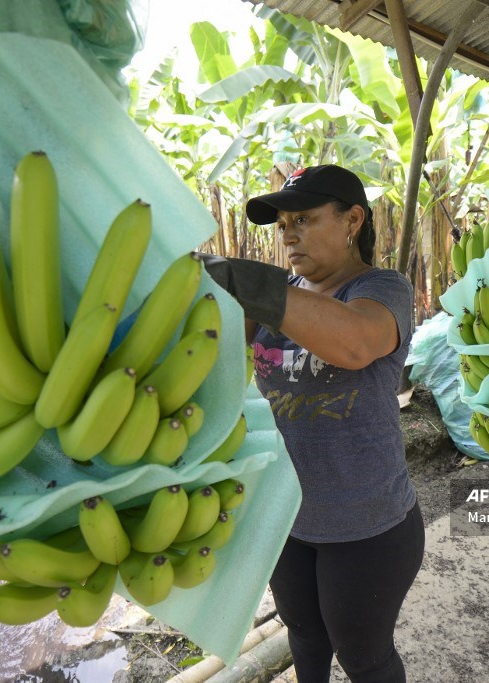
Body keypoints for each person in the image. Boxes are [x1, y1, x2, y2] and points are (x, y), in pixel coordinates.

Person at [199, 164, 425, 683]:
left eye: (304, 218)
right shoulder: (279, 293)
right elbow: (217, 361)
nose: (289, 234)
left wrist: (245, 282)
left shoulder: (380, 290)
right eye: (281, 225)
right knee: (304, 637)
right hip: (287, 515)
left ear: (352, 220)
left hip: (367, 527)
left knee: (365, 658)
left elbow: (354, 343)